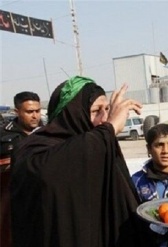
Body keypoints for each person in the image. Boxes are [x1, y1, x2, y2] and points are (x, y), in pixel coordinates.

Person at [10, 76, 149, 247]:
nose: (104, 118)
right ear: (72, 113)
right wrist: (110, 129)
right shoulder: (34, 149)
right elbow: (50, 171)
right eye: (96, 110)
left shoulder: (99, 145)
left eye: (107, 109)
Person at [0, 91, 41, 247]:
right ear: (17, 112)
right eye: (29, 112)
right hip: (11, 204)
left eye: (37, 111)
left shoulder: (48, 132)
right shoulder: (4, 135)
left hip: (40, 201)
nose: (35, 116)